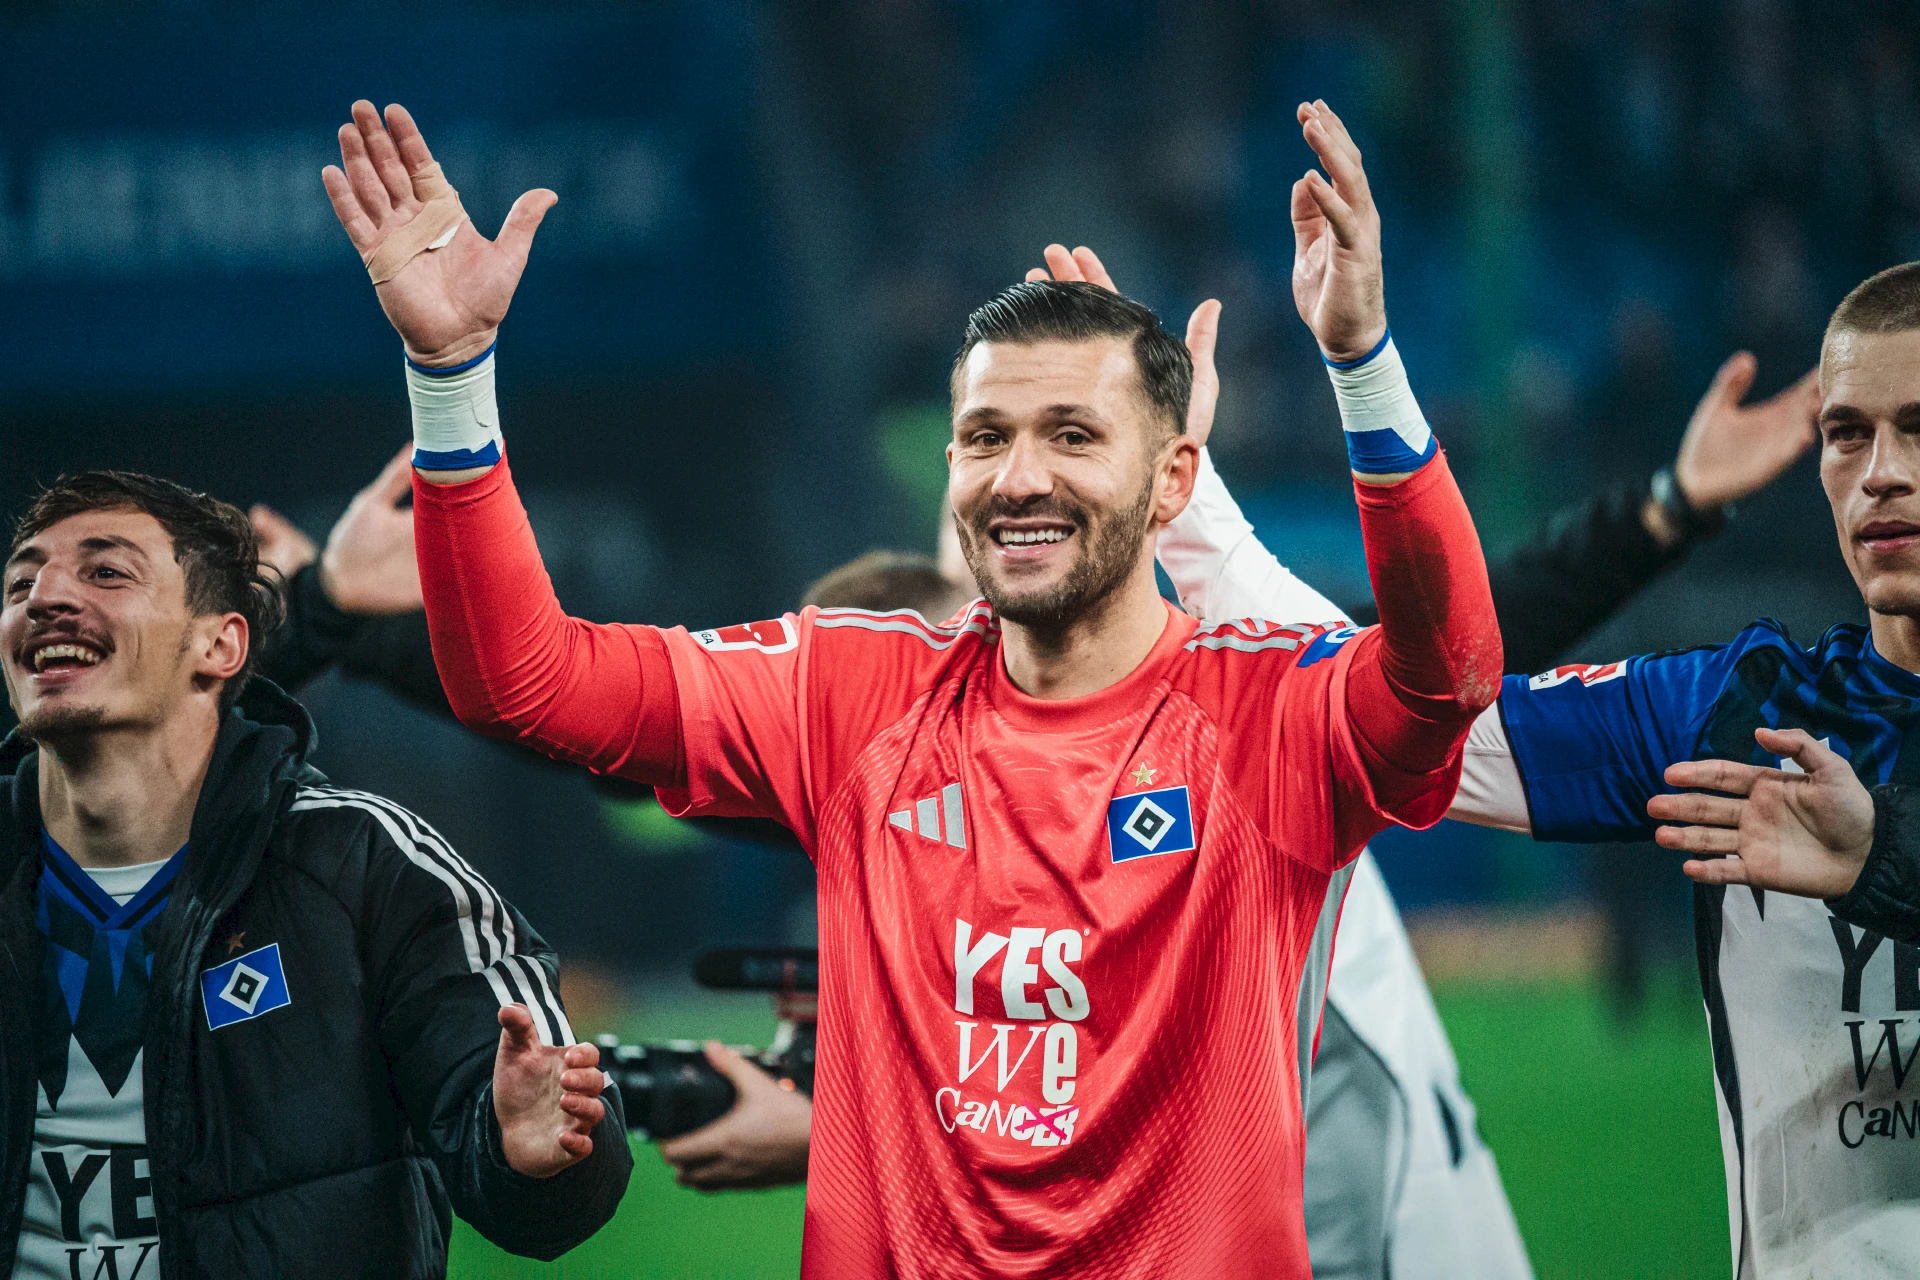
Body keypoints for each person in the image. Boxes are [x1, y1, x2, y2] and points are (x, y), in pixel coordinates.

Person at [323, 93, 1499, 1276]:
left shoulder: (1267, 714)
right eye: (987, 435)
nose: (1019, 476)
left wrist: (1361, 364)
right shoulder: (853, 688)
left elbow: (1447, 675)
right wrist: (452, 374)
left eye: (1073, 435)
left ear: (1173, 481)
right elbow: (526, 680)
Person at [1032, 242, 1818, 1280]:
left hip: (1405, 1182)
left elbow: (1466, 641)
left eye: (1074, 449)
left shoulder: (1256, 681)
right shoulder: (1031, 800)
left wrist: (1667, 505)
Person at [0, 472, 630, 1279]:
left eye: (106, 571)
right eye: (20, 583)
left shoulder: (365, 863)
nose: (45, 597)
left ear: (222, 646)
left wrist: (529, 1147)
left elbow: (546, 1148)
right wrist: (324, 601)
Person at [1424, 261, 1920, 1277]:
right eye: (1846, 434)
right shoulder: (1742, 713)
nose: (1881, 472)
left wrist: (1884, 855)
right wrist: (1361, 370)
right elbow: (1396, 712)